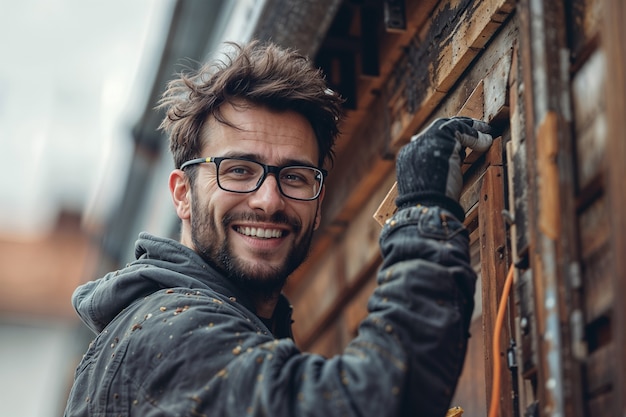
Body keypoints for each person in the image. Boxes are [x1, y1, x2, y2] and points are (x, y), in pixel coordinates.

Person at [63, 41, 492, 417]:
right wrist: (426, 209)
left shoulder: (239, 336)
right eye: (238, 170)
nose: (268, 200)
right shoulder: (165, 333)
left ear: (318, 203)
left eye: (294, 176)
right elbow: (370, 402)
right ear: (182, 194)